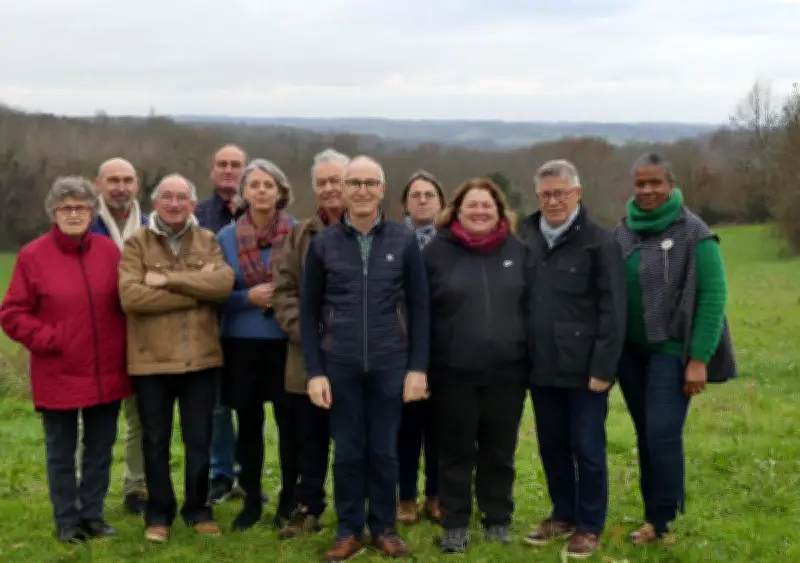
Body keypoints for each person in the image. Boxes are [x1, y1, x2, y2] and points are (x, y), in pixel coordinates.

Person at [301, 155, 430, 561]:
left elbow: (420, 307)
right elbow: (308, 312)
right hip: (339, 363)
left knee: (386, 450)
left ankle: (384, 526)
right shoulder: (323, 243)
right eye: (353, 183)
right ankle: (349, 528)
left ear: (382, 189)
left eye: (368, 183)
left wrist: (417, 368)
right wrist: (314, 371)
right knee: (349, 450)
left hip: (391, 361)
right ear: (342, 188)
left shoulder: (402, 241)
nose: (360, 190)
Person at [0, 176, 132, 543]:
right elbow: (12, 313)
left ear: (93, 212)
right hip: (58, 370)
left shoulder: (109, 252)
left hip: (106, 369)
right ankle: (67, 521)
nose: (74, 214)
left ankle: (92, 515)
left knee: (100, 449)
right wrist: (49, 339)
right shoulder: (32, 256)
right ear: (53, 213)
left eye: (81, 207)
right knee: (61, 452)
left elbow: (126, 302)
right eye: (66, 208)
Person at [614, 153, 736, 545]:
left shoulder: (693, 232)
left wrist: (698, 359)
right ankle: (657, 512)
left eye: (655, 183)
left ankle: (664, 521)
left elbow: (713, 295)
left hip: (671, 349)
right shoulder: (624, 229)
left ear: (670, 185)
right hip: (630, 353)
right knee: (646, 433)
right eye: (640, 184)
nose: (647, 191)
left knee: (663, 432)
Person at [118, 174, 235, 542]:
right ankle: (159, 514)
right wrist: (194, 287)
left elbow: (222, 285)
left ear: (192, 204)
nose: (173, 203)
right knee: (155, 441)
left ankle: (198, 510)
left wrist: (167, 280)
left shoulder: (207, 239)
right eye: (167, 197)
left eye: (181, 197)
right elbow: (132, 298)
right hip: (150, 360)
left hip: (199, 359)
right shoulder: (136, 243)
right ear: (156, 202)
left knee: (199, 438)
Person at [518, 160, 626, 559]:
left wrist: (603, 368)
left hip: (584, 371)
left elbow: (613, 310)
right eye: (546, 193)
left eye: (561, 192)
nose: (554, 200)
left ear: (577, 194)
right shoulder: (526, 236)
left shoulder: (600, 242)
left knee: (588, 447)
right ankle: (562, 513)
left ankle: (590, 524)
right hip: (541, 366)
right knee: (552, 445)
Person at [423, 178, 528, 553]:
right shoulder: (436, 252)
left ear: (500, 211)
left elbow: (530, 307)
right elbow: (422, 314)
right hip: (453, 372)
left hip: (508, 372)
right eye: (473, 205)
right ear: (457, 210)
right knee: (455, 452)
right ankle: (454, 523)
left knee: (499, 451)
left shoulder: (518, 250)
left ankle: (497, 518)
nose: (480, 211)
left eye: (488, 205)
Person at [272, 148, 349, 539]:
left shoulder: (374, 230)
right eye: (323, 182)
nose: (330, 188)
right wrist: (305, 332)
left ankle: (358, 511)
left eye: (337, 180)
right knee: (310, 439)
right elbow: (283, 290)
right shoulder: (301, 234)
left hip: (357, 356)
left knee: (356, 440)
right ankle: (308, 509)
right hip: (308, 355)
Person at [216, 158, 296, 531]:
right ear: (243, 192)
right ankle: (250, 500)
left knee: (289, 424)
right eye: (255, 185)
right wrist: (246, 297)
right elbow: (216, 294)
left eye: (269, 185)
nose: (262, 191)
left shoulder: (299, 233)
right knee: (247, 426)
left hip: (284, 342)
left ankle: (289, 502)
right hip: (240, 343)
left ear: (280, 192)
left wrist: (280, 300)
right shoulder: (226, 238)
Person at [89, 157, 149, 515]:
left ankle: (136, 486)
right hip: (99, 335)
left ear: (137, 184)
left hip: (143, 335)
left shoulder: (150, 225)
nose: (121, 187)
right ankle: (89, 488)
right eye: (113, 180)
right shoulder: (86, 224)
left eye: (127, 180)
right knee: (94, 419)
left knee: (141, 417)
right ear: (98, 184)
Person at [196, 144, 251, 504]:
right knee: (217, 406)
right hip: (209, 323)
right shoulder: (197, 215)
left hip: (251, 325)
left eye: (236, 165)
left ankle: (249, 472)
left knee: (248, 405)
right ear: (212, 171)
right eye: (223, 164)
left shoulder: (266, 214)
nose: (229, 170)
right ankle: (220, 473)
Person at [396, 169, 446, 525]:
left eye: (430, 194)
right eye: (416, 195)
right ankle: (406, 497)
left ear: (441, 203)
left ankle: (437, 495)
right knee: (406, 428)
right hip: (401, 346)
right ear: (404, 203)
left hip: (446, 346)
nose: (423, 200)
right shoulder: (393, 240)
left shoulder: (453, 242)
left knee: (441, 429)